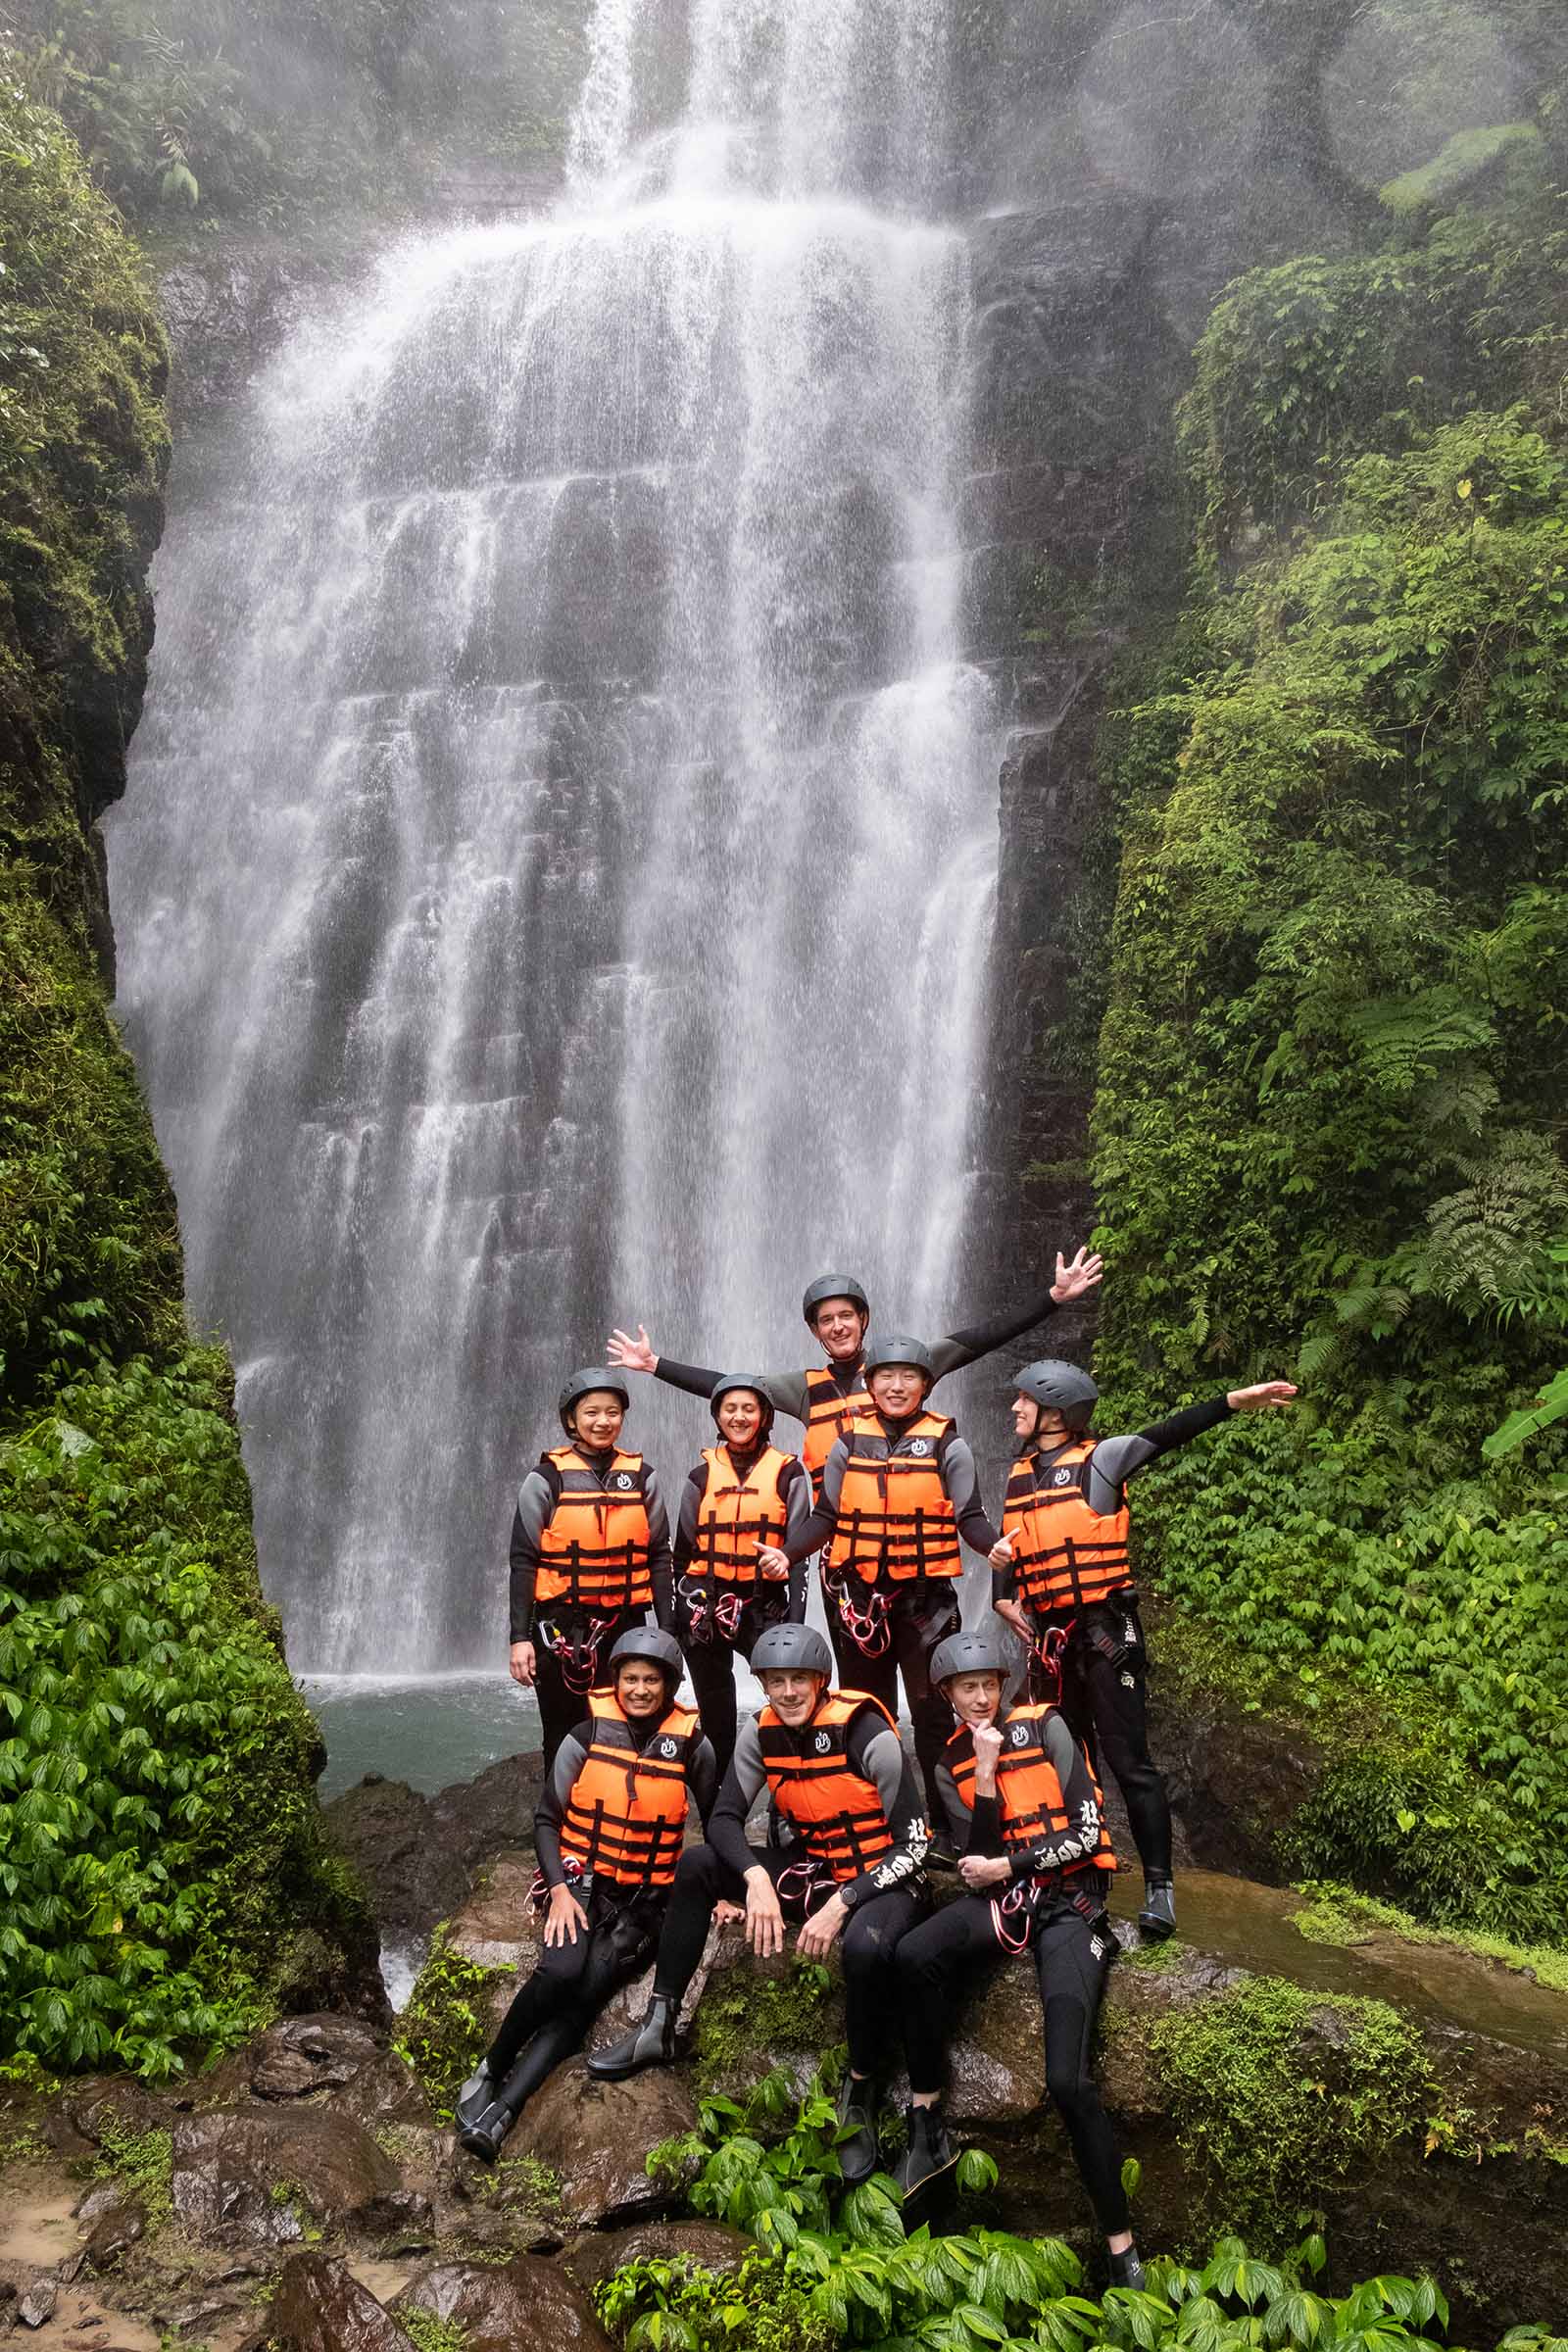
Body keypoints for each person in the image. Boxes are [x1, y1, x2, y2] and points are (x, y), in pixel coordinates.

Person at [586, 1623, 930, 2186]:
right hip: (813, 1871)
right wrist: (754, 1879)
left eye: (800, 1680)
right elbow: (723, 1819)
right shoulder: (759, 1732)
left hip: (882, 1881)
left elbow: (916, 1843)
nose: (789, 1692)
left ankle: (861, 2088)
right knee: (698, 1866)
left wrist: (846, 1901)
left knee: (867, 1949)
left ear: (821, 1683)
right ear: (764, 1685)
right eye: (777, 1681)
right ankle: (660, 2022)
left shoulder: (869, 1734)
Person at [990, 1361, 1298, 1939]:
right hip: (1049, 1639)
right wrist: (1000, 1594)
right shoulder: (1018, 1475)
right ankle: (1077, 1870)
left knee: (1128, 1760)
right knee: (1064, 1757)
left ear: (1055, 1411)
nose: (1014, 1410)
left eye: (1024, 1401)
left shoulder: (1102, 1460)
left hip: (1104, 1629)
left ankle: (1160, 1887)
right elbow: (1011, 1551)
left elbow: (1169, 1431)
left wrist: (1237, 1399)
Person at [894, 1629, 1148, 2288]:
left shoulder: (1050, 1726)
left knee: (1067, 2081)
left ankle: (1121, 2246)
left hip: (1068, 1905)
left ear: (1004, 1686)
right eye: (965, 1688)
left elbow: (1086, 1830)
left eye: (988, 1685)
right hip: (1008, 1899)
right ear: (947, 1695)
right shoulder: (951, 1757)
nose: (979, 1698)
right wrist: (982, 1772)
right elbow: (975, 1858)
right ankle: (926, 2120)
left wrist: (1016, 1862)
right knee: (915, 1953)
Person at [455, 1628, 716, 2160]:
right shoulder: (587, 1733)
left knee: (586, 1992)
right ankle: (492, 2066)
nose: (640, 1690)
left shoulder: (694, 1745)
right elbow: (548, 1819)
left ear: (668, 1685)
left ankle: (504, 2112)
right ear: (614, 1682)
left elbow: (718, 1819)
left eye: (651, 1680)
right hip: (581, 1882)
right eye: (630, 1679)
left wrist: (725, 1887)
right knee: (559, 1973)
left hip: (643, 1903)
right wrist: (559, 1889)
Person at [606, 1249, 1104, 1496]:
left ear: (864, 1320)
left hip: (906, 1530)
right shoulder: (802, 1390)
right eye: (827, 1320)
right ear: (815, 1332)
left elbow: (979, 1338)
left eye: (847, 1315)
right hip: (841, 1542)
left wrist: (1052, 1300)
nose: (838, 1326)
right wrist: (654, 1365)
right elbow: (729, 1387)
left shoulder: (906, 1366)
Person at [758, 1336, 1004, 1831]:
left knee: (933, 1717)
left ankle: (946, 1827)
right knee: (870, 1715)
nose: (896, 1386)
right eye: (885, 1377)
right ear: (870, 1385)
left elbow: (970, 1515)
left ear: (926, 1385)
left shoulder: (948, 1443)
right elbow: (825, 1516)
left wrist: (992, 1547)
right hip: (860, 1605)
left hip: (926, 1605)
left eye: (908, 1376)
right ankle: (887, 1824)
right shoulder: (847, 1442)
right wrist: (786, 1554)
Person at [509, 1368, 673, 1771]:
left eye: (613, 1413)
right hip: (560, 1629)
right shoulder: (546, 1479)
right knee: (561, 1735)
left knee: (628, 1729)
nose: (603, 1422)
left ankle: (621, 1819)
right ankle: (560, 1823)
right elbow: (524, 1559)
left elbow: (660, 1556)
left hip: (627, 1624)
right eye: (592, 1413)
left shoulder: (643, 1478)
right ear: (572, 1420)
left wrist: (667, 1632)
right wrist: (518, 1638)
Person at [672, 1375, 812, 1783]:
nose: (739, 1417)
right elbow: (681, 1557)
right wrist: (679, 1620)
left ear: (765, 1416)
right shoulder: (699, 1478)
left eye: (749, 1409)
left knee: (788, 1707)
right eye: (730, 1409)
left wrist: (795, 1627)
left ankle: (788, 1801)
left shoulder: (789, 1474)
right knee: (716, 1714)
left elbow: (800, 1556)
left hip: (764, 1606)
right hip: (706, 1608)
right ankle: (720, 1802)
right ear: (717, 1415)